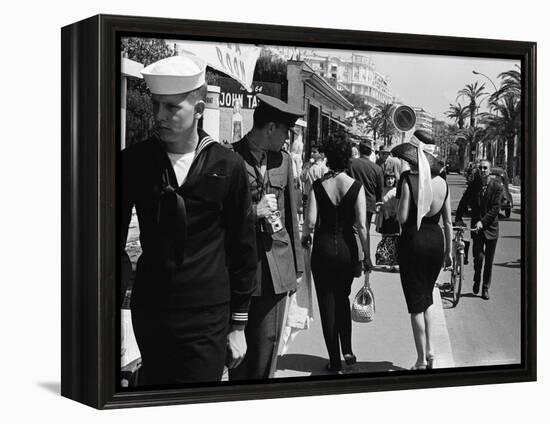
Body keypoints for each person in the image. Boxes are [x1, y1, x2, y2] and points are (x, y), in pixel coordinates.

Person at [121, 54, 257, 385]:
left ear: (198, 111)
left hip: (207, 316)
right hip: (151, 310)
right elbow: (109, 240)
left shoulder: (228, 166)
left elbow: (243, 250)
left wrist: (238, 325)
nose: (159, 116)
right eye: (156, 105)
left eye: (171, 107)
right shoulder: (134, 162)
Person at [230, 94, 305, 380]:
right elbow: (220, 217)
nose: (287, 139)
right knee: (237, 353)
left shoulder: (284, 162)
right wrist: (253, 212)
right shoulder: (231, 157)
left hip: (277, 268)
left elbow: (291, 217)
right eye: (285, 131)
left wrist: (297, 268)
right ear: (271, 128)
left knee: (268, 347)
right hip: (242, 270)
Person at [301, 137, 369, 373]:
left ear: (328, 157)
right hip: (347, 250)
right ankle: (348, 350)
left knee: (326, 304)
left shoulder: (318, 186)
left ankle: (333, 359)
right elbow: (361, 225)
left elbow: (309, 222)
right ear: (347, 158)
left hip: (323, 248)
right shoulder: (356, 186)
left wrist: (305, 237)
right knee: (342, 298)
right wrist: (366, 256)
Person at [391, 130, 453, 370]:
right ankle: (431, 351)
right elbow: (447, 222)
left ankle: (420, 359)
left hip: (413, 243)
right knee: (427, 299)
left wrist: (393, 207)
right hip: (436, 243)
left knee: (416, 305)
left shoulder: (407, 179)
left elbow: (403, 216)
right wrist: (448, 252)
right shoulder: (443, 183)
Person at [455, 159, 503, 300]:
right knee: (478, 258)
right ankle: (476, 279)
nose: (482, 170)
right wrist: (458, 218)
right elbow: (464, 202)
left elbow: (495, 208)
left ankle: (485, 288)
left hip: (491, 229)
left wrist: (483, 222)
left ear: (490, 171)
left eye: (485, 168)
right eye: (480, 168)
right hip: (477, 230)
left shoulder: (497, 187)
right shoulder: (474, 186)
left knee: (488, 261)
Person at [348, 139, 384, 271]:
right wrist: (378, 202)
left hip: (351, 201)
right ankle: (365, 257)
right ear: (371, 152)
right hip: (368, 204)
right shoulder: (377, 168)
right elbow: (379, 190)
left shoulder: (351, 163)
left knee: (352, 230)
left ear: (359, 149)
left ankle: (355, 256)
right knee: (365, 230)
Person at [374, 171, 400, 270]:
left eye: (392, 178)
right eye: (388, 178)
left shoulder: (397, 190)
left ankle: (394, 261)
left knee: (394, 239)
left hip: (394, 218)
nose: (390, 181)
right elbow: (378, 203)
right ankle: (385, 259)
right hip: (384, 218)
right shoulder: (382, 190)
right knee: (384, 239)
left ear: (394, 180)